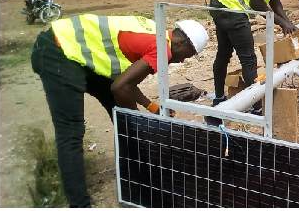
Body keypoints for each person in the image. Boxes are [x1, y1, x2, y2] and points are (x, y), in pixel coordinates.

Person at [31, 14, 209, 207]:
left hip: (78, 53)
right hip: (58, 51)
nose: (183, 61)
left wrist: (150, 106)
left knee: (123, 120)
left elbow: (127, 81)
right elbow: (120, 88)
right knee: (71, 133)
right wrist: (136, 119)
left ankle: (136, 184)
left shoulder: (155, 31)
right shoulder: (161, 49)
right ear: (180, 42)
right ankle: (80, 205)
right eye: (187, 55)